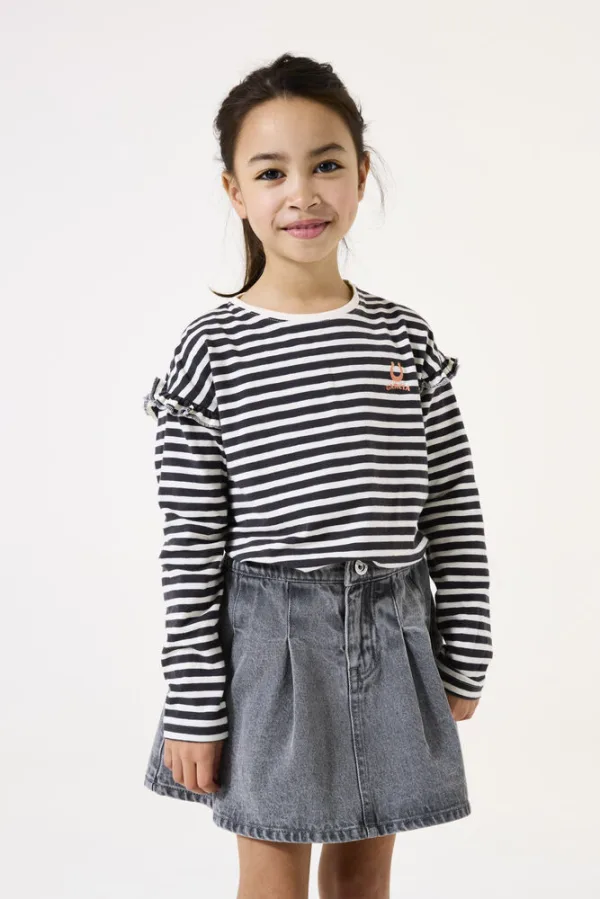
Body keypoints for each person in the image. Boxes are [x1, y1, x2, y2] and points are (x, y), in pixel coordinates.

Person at [142, 52, 493, 898]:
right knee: (272, 879)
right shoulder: (213, 352)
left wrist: (465, 645)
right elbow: (192, 540)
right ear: (235, 192)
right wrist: (193, 699)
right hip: (273, 652)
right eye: (272, 172)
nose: (302, 193)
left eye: (326, 164)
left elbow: (451, 502)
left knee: (364, 878)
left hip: (393, 635)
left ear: (362, 174)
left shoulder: (403, 338)